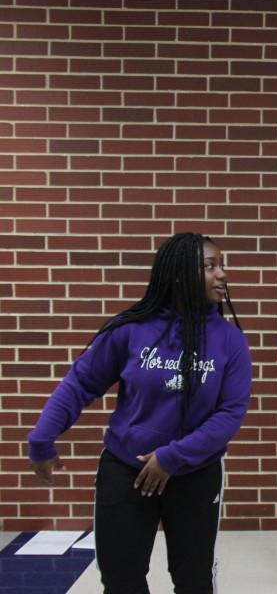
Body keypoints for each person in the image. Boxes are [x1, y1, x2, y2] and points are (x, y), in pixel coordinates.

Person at [27, 233, 252, 594]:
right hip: (125, 468)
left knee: (194, 581)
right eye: (210, 267)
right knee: (121, 579)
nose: (222, 274)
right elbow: (80, 383)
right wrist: (42, 438)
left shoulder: (230, 340)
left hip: (195, 472)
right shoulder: (132, 329)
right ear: (179, 275)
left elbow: (230, 414)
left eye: (222, 265)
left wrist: (171, 457)